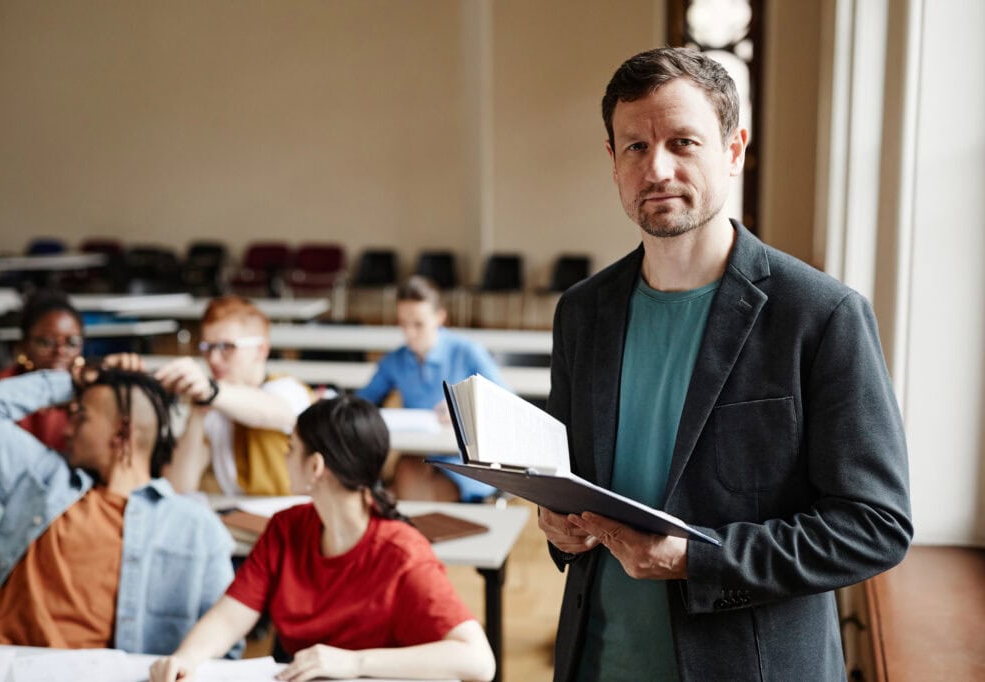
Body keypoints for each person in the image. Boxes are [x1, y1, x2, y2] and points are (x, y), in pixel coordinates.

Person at [536, 47, 912, 681]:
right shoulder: (582, 311)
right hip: (598, 659)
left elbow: (874, 525)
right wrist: (558, 525)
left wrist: (697, 558)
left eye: (683, 142)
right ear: (612, 162)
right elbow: (574, 479)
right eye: (634, 147)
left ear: (734, 150)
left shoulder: (821, 315)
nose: (657, 167)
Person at [149, 395, 495, 682]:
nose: (284, 459)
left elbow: (478, 660)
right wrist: (186, 657)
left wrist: (353, 663)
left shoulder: (401, 551)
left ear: (315, 467)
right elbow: (231, 615)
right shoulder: (286, 528)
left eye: (290, 449)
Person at [0, 360, 237, 654]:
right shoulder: (43, 481)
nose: (67, 430)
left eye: (81, 417)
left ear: (121, 433)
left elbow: (224, 647)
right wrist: (73, 381)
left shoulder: (194, 527)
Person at [355, 275, 505, 502]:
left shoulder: (467, 351)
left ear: (439, 317)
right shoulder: (396, 360)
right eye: (403, 324)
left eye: (418, 324)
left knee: (401, 486)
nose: (410, 333)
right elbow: (363, 401)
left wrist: (464, 405)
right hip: (417, 454)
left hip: (464, 460)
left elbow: (506, 400)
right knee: (406, 472)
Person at [159, 296, 311, 496]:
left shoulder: (287, 389)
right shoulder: (213, 403)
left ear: (261, 350)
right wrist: (197, 413)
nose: (213, 359)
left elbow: (273, 412)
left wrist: (210, 392)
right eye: (207, 348)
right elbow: (179, 485)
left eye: (226, 347)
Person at [0, 289, 84, 501]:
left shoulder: (91, 393)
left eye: (71, 342)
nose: (60, 352)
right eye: (46, 342)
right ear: (24, 345)